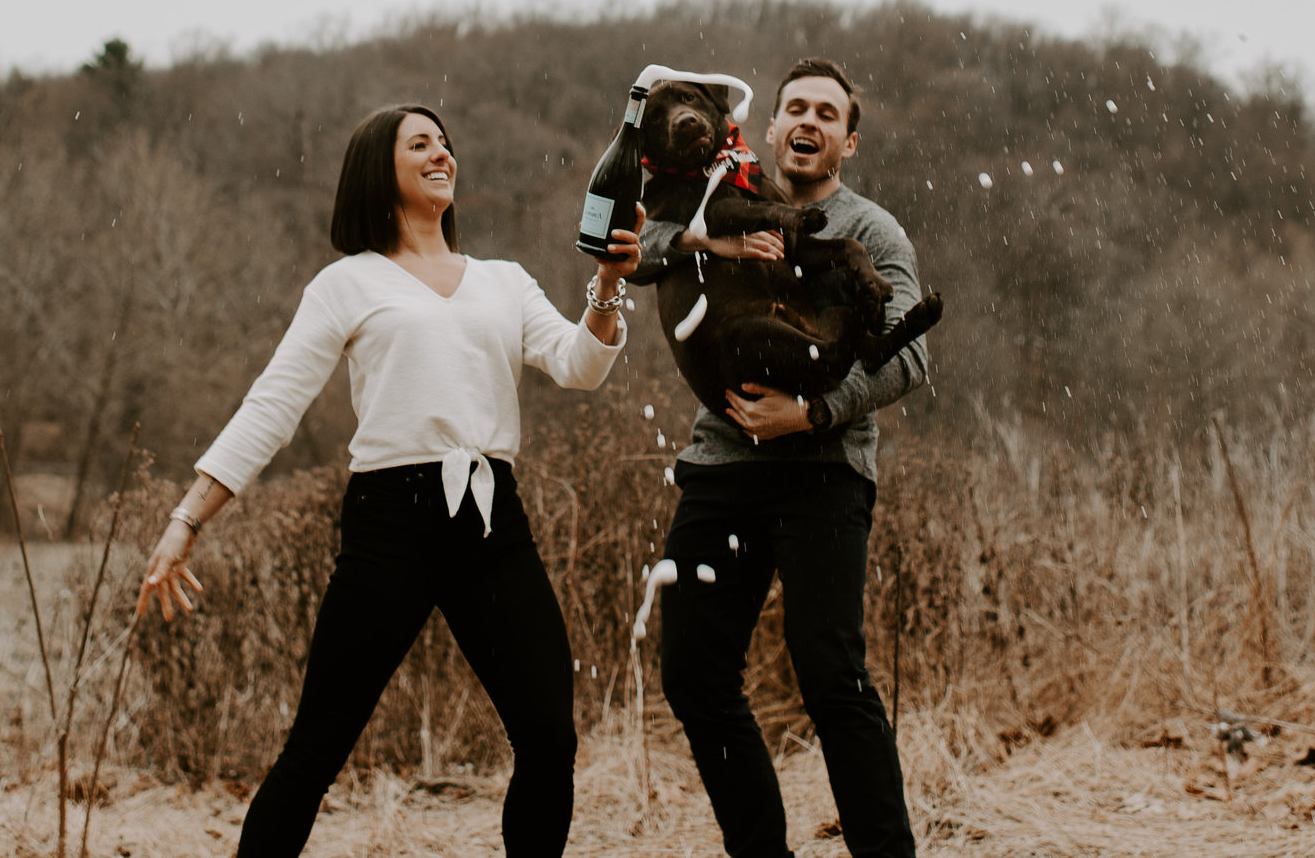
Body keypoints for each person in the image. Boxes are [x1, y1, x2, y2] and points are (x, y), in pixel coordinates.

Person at [139, 104, 637, 858]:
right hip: (389, 526)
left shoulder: (503, 280)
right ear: (383, 168)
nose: (442, 153)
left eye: (445, 142)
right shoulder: (347, 284)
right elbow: (270, 407)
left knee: (548, 735)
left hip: (490, 523)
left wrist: (605, 283)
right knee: (318, 746)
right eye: (420, 144)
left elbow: (578, 365)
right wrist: (186, 519)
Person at [637, 58, 925, 858]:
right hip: (721, 466)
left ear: (847, 140)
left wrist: (814, 412)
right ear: (768, 127)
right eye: (794, 106)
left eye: (826, 114)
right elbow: (631, 244)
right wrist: (702, 234)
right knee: (694, 675)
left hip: (825, 474)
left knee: (830, 674)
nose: (808, 120)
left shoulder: (872, 229)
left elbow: (911, 353)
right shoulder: (716, 193)